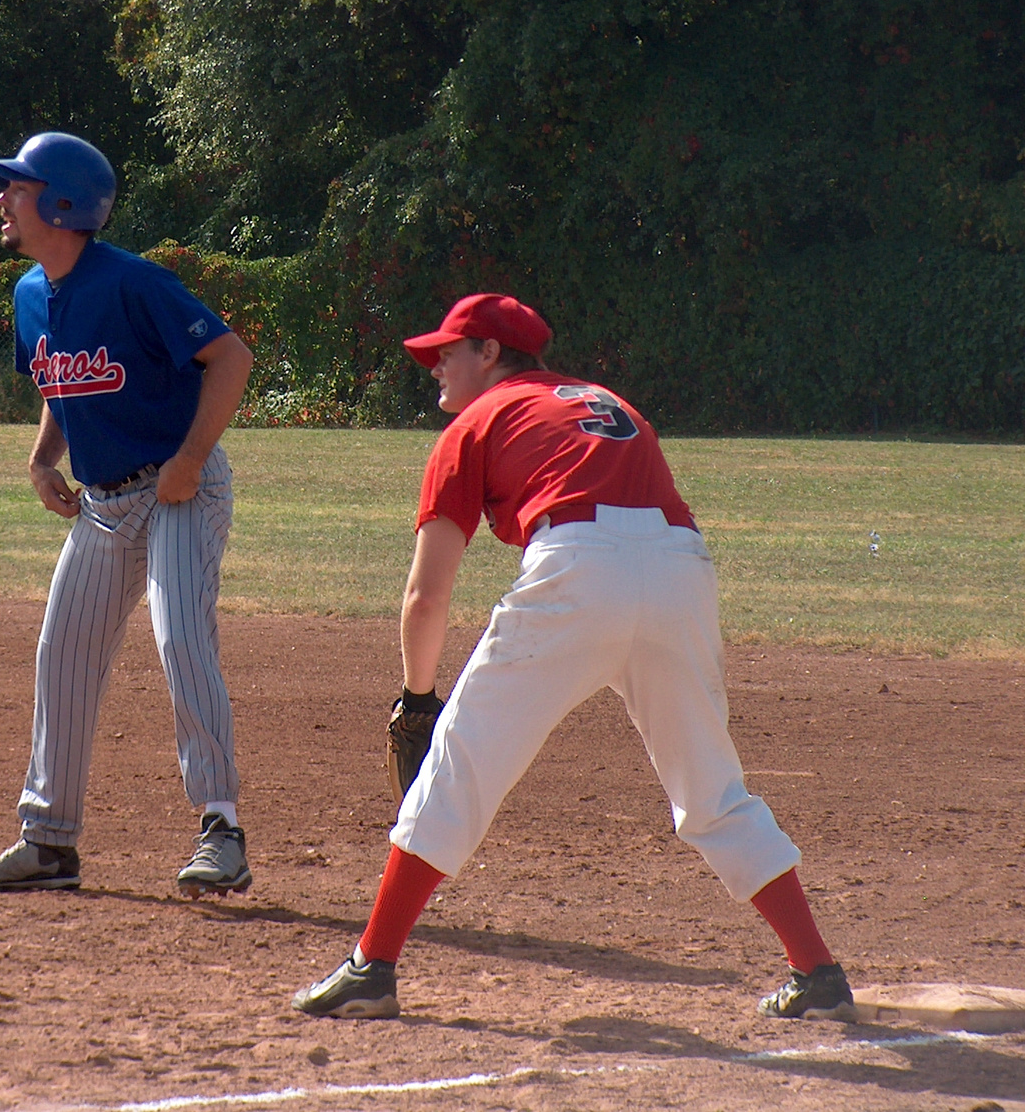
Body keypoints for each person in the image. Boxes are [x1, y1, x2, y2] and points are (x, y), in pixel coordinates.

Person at [292, 293, 853, 1020]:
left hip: (578, 568)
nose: (434, 365)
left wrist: (418, 696)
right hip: (681, 565)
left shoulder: (478, 422)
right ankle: (817, 972)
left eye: (447, 351)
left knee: (459, 764)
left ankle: (372, 966)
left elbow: (426, 598)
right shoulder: (603, 402)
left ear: (490, 354)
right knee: (711, 788)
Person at [0, 132, 256, 898]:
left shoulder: (133, 282)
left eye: (16, 187)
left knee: (181, 634)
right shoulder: (29, 293)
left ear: (59, 203)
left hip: (178, 487)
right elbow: (62, 386)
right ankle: (48, 843)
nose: (3, 199)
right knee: (63, 653)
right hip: (104, 505)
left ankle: (222, 829)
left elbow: (231, 357)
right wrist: (43, 458)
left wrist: (188, 461)